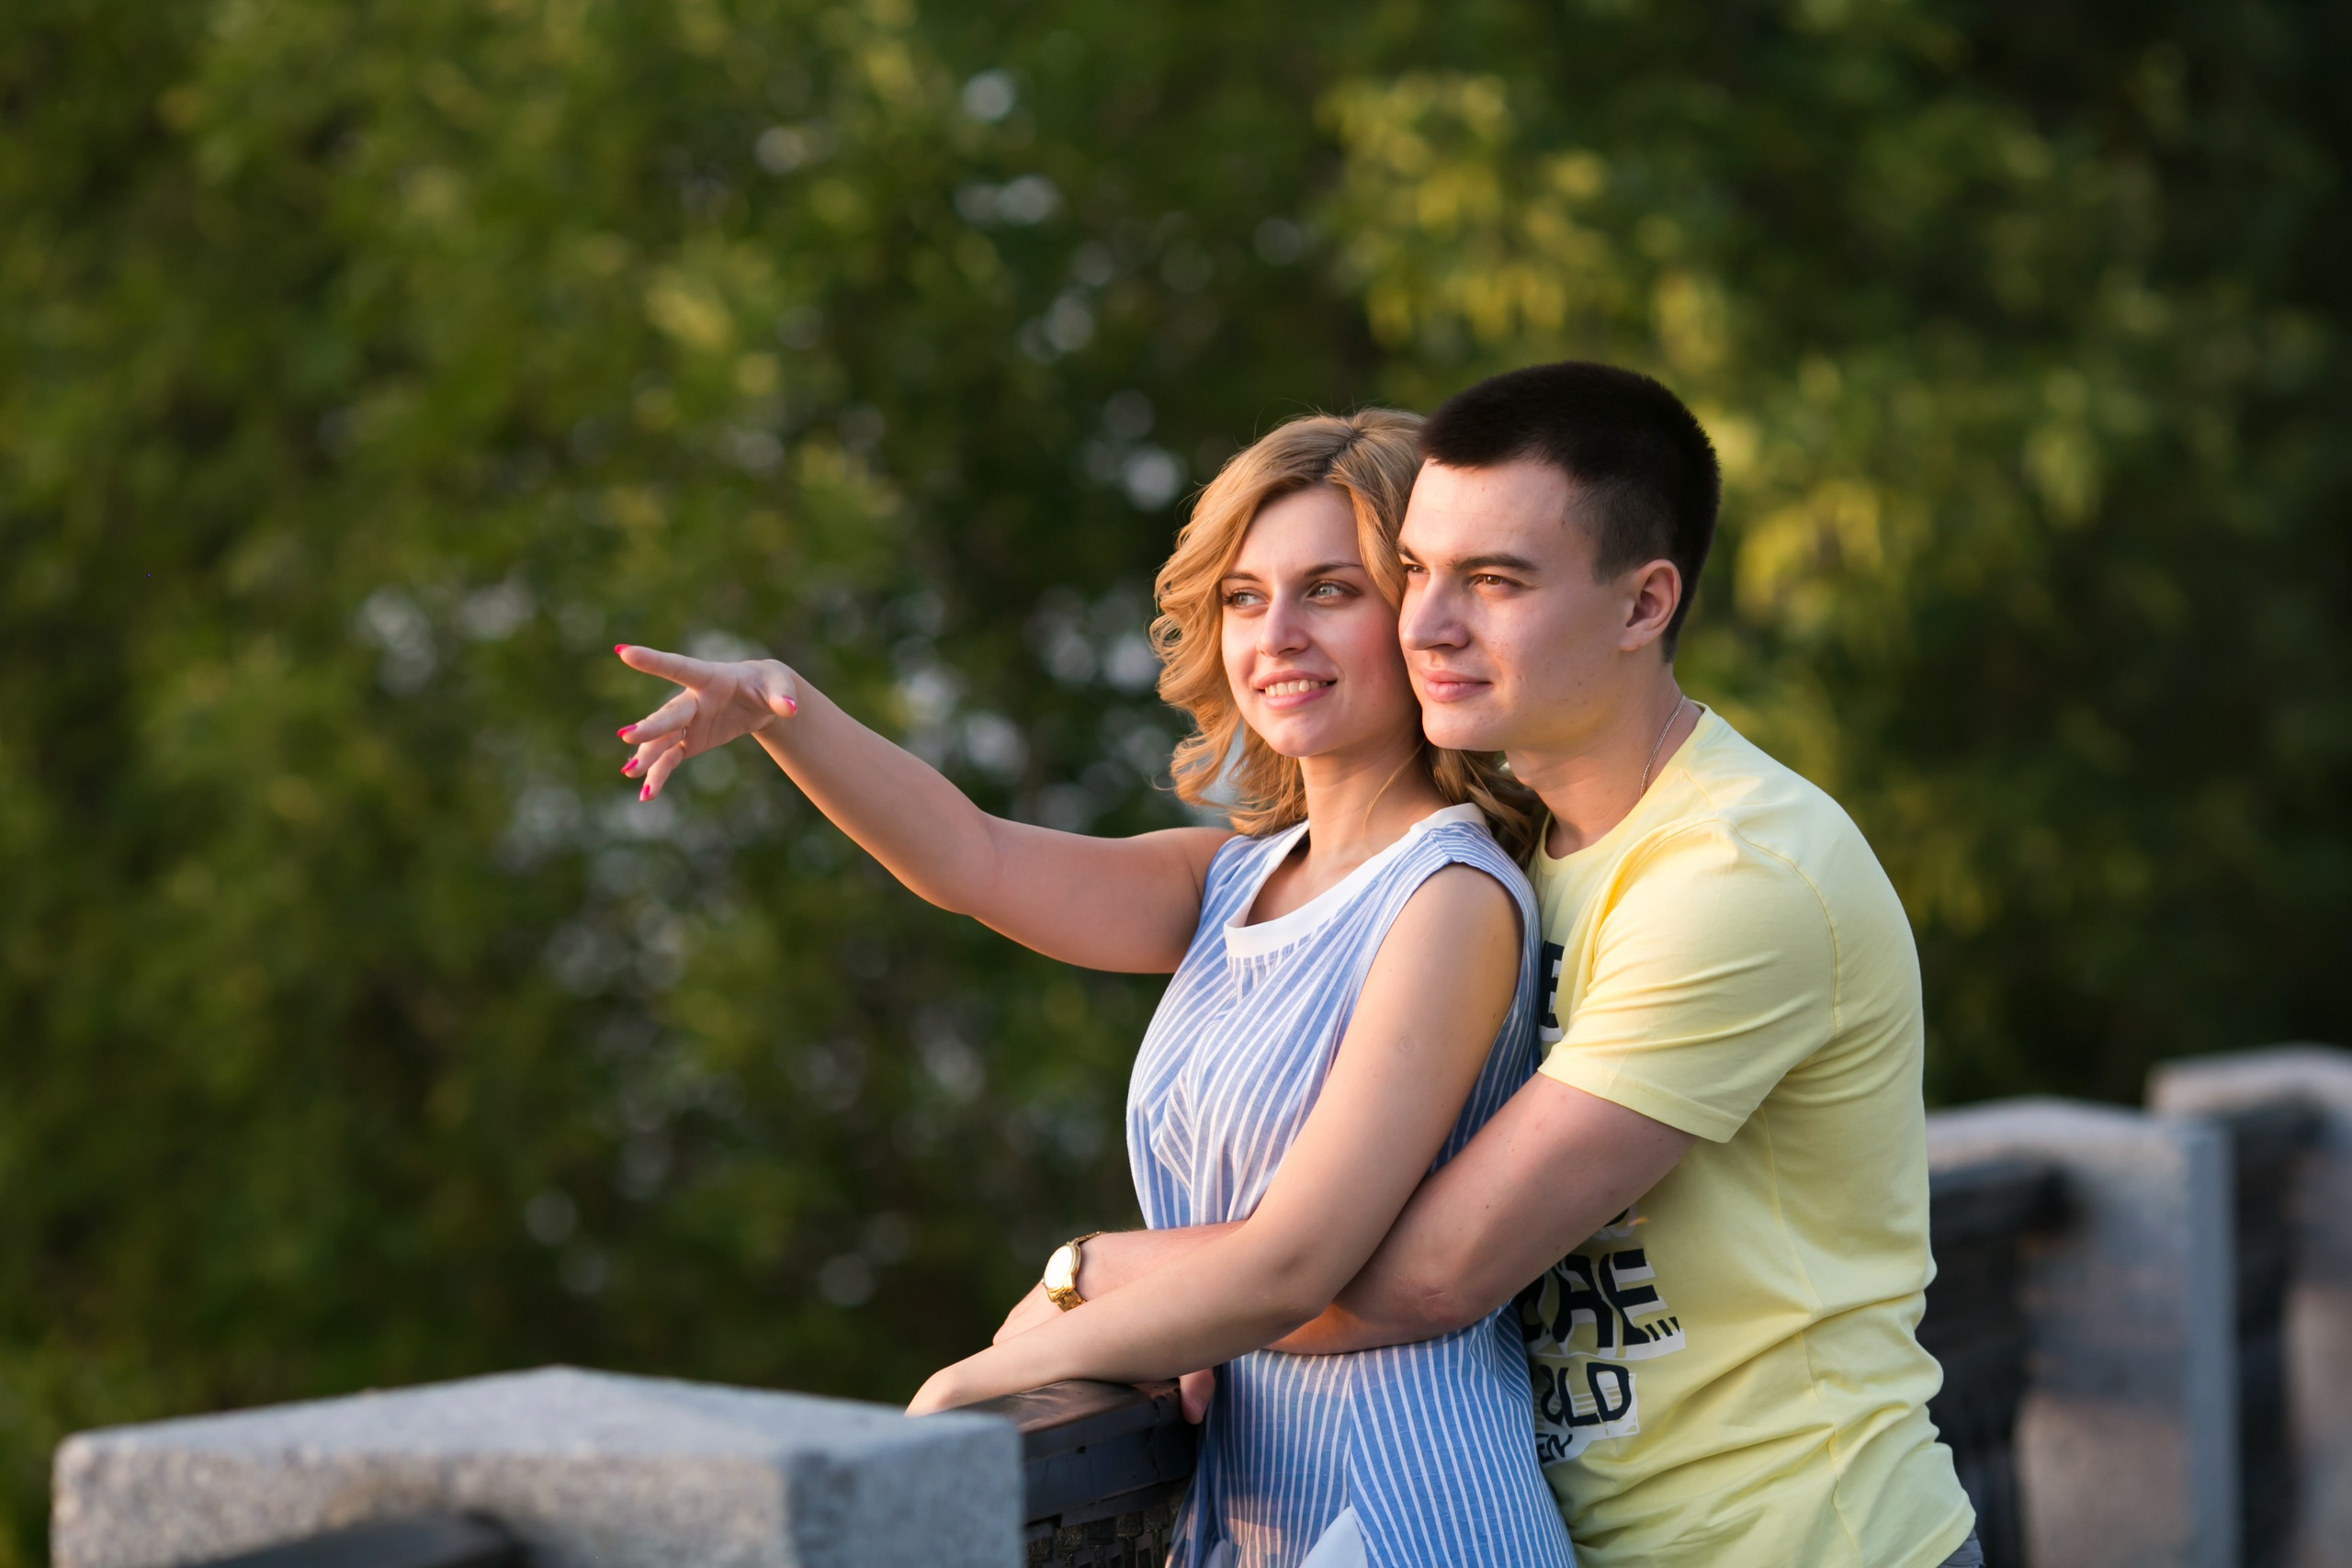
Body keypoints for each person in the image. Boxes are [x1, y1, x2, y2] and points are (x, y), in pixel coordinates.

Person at [991, 362, 1984, 1567]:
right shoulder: (1529, 849)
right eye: (1417, 573)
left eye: (1497, 581)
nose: (1431, 624)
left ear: (1642, 603)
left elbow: (1422, 1275)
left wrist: (1098, 1280)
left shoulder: (1736, 877)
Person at [613, 411, 1575, 1568]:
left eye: (1330, 590)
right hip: (1252, 1511)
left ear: (1418, 614)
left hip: (1404, 1505)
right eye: (1242, 597)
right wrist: (785, 711)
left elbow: (1293, 1262)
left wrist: (991, 1371)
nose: (1276, 635)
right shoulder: (1230, 878)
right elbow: (972, 859)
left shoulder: (1449, 896)